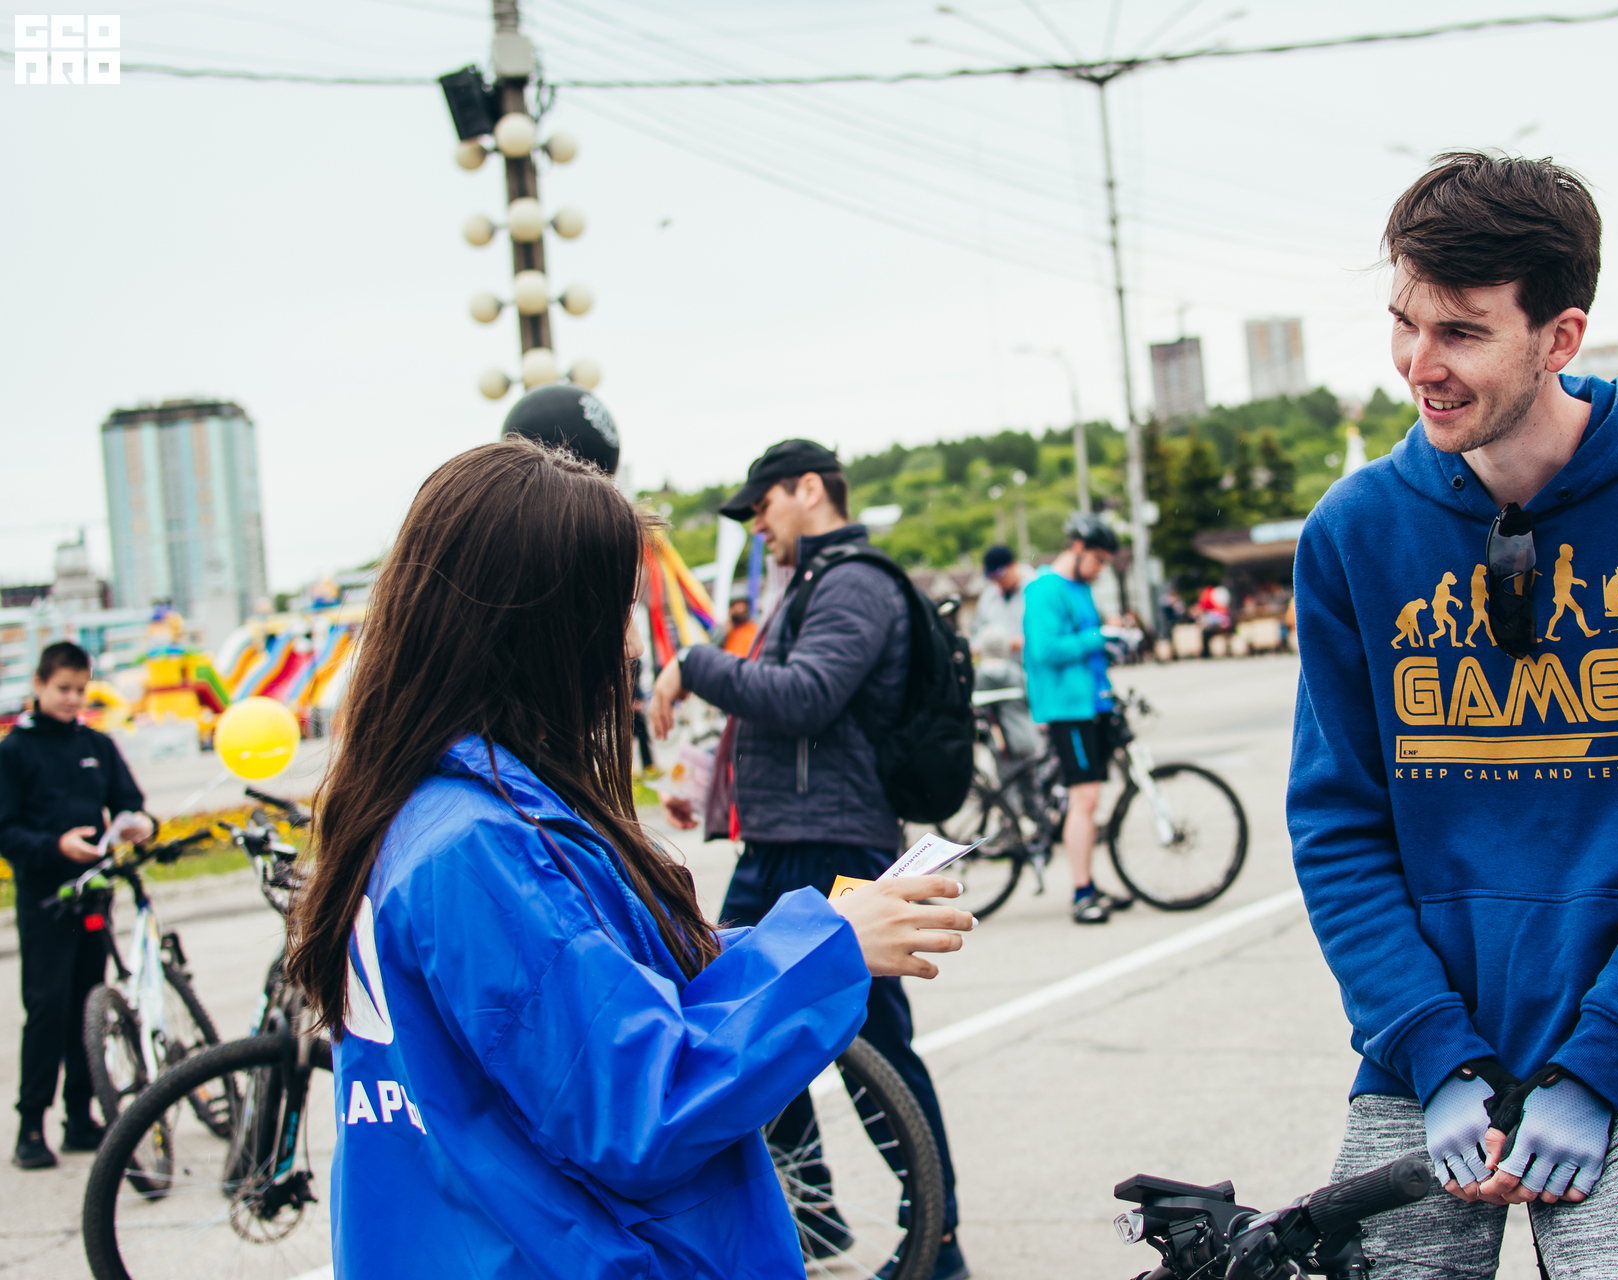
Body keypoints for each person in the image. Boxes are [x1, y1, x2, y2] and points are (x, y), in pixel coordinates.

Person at [1287, 152, 1618, 1279]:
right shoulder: (1351, 533)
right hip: (1428, 1050)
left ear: (1559, 337)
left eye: (1461, 332)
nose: (1419, 364)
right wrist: (1432, 1049)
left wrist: (1605, 1056)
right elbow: (1338, 828)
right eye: (1404, 323)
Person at [284, 439, 971, 1279]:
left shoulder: (422, 810)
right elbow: (643, 1106)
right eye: (617, 612)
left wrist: (824, 932)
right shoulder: (484, 850)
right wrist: (826, 952)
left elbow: (611, 987)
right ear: (543, 629)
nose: (633, 648)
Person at [648, 437, 971, 1280]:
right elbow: (788, 726)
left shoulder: (855, 582)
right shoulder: (810, 583)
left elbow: (806, 697)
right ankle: (812, 1221)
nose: (757, 526)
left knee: (876, 1045)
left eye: (762, 506)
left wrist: (693, 663)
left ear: (808, 490)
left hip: (834, 844)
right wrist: (710, 791)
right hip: (783, 840)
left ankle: (938, 1240)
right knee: (749, 1017)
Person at [0, 641, 153, 1169]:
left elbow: (129, 801)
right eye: (63, 689)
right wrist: (55, 847)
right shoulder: (14, 751)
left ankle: (80, 1117)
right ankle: (30, 1126)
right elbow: (6, 831)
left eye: (80, 690)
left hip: (95, 895)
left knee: (89, 1008)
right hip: (45, 901)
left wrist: (136, 822)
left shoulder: (97, 744)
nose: (72, 698)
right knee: (47, 1008)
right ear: (39, 685)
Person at [1023, 513, 1135, 924]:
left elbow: (1088, 644)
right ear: (1078, 548)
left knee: (1088, 799)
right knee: (1083, 798)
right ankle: (1081, 893)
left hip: (1093, 703)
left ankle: (1089, 882)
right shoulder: (1043, 590)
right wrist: (1099, 637)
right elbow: (1046, 649)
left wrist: (1113, 642)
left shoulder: (1081, 588)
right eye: (1099, 560)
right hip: (1066, 709)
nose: (1101, 568)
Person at [971, 544, 1025, 658]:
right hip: (999, 665)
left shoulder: (1034, 589)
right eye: (993, 576)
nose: (998, 580)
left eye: (1000, 574)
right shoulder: (988, 596)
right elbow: (977, 632)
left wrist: (1016, 642)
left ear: (1013, 565)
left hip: (1028, 664)